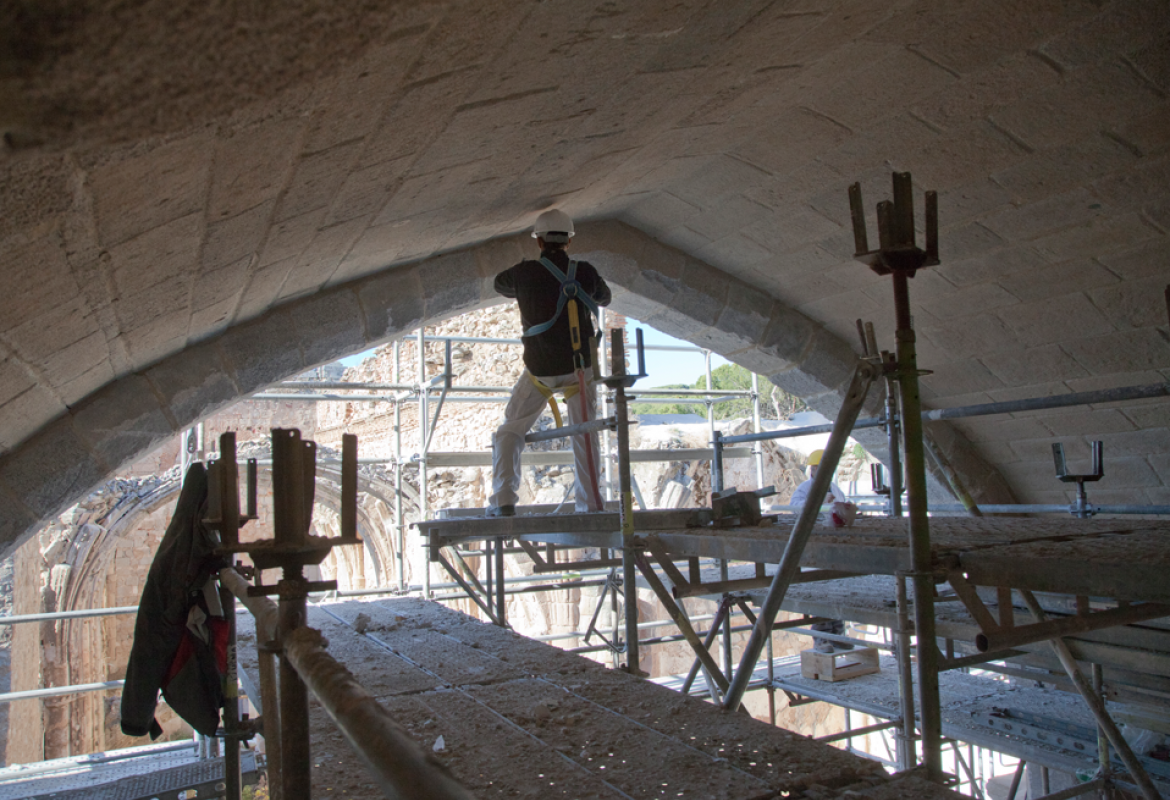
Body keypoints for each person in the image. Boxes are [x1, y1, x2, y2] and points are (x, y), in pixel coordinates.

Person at [487, 209, 612, 517]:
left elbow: (498, 285)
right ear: (569, 240)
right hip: (578, 371)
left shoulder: (523, 273)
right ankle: (592, 504)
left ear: (539, 241)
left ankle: (504, 499)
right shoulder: (585, 271)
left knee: (510, 431)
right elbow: (605, 297)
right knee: (584, 433)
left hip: (540, 371)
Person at [792, 449, 854, 653]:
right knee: (821, 592)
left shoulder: (835, 488)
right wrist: (820, 502)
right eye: (820, 467)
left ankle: (838, 635)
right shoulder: (804, 489)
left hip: (833, 542)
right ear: (813, 469)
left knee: (837, 590)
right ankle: (821, 640)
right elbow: (795, 507)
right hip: (814, 542)